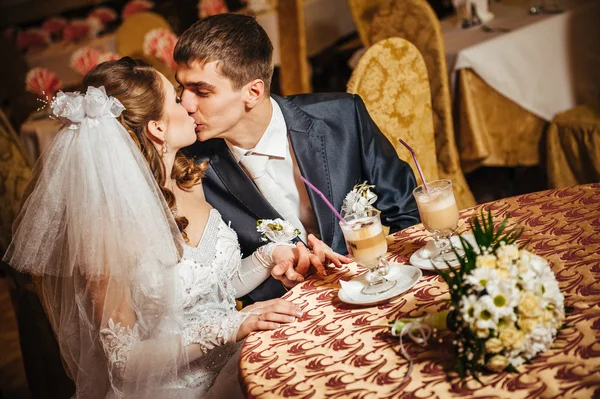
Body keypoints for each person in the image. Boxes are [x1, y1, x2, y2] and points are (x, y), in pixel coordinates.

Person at [2, 57, 347, 398]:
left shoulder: (190, 181)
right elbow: (123, 358)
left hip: (236, 360)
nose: (188, 103)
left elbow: (213, 287)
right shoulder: (109, 230)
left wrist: (271, 256)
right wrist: (230, 327)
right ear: (157, 128)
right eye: (176, 96)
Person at [174, 13, 421, 303]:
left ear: (253, 92)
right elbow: (222, 278)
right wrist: (280, 277)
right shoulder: (192, 169)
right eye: (181, 88)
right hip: (293, 313)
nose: (185, 104)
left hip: (383, 283)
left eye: (201, 91)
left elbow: (406, 213)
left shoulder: (342, 118)